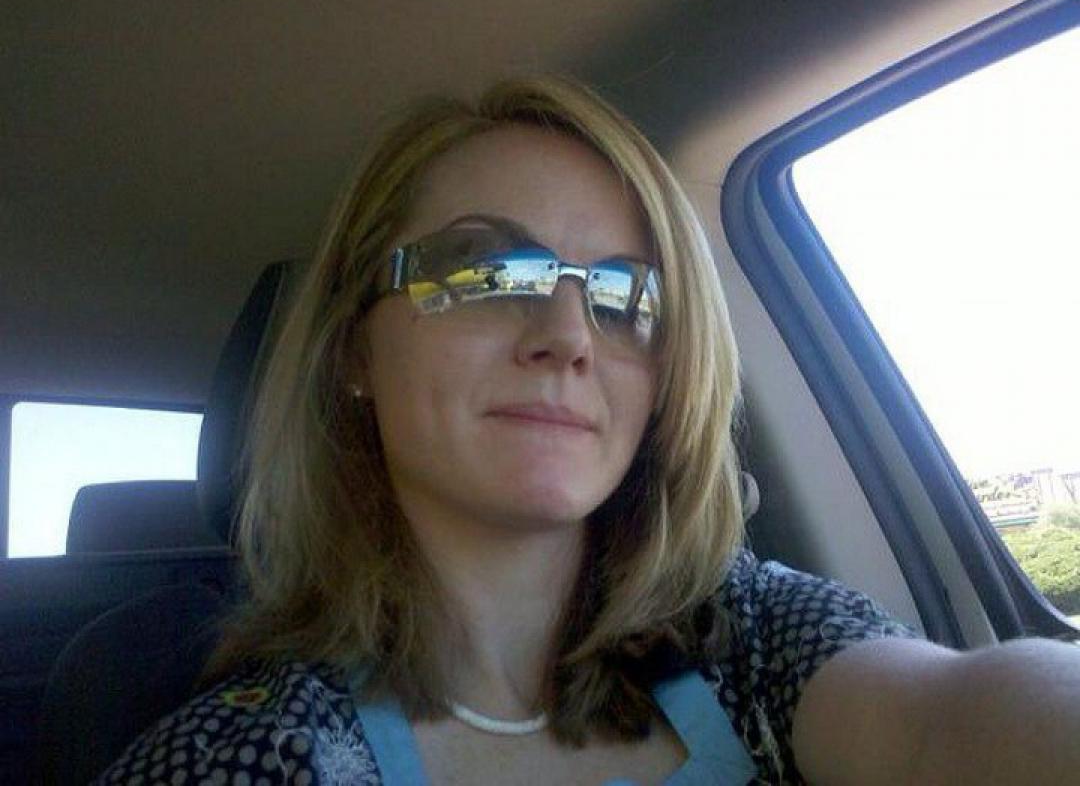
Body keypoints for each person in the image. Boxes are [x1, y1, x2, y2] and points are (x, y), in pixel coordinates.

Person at [97, 76, 1079, 786]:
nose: (569, 337)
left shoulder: (748, 638)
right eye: (486, 271)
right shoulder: (237, 757)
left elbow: (951, 721)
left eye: (623, 294)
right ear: (356, 346)